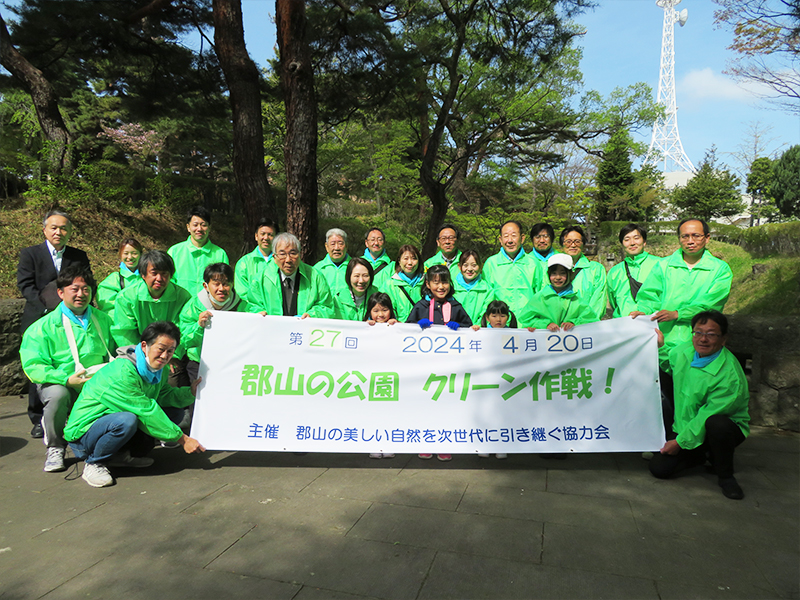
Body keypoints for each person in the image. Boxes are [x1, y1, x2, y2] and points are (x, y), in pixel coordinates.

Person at [63, 322, 205, 488]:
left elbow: (163, 395)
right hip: (84, 434)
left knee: (175, 413)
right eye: (161, 348)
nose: (165, 355)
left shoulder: (157, 368)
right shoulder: (123, 372)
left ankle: (119, 456)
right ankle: (94, 463)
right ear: (144, 346)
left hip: (112, 422)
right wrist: (183, 439)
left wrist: (190, 393)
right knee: (126, 420)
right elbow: (145, 410)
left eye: (170, 350)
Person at [20, 265, 115, 473]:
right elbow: (33, 365)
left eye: (86, 289)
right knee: (57, 395)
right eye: (75, 289)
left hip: (95, 380)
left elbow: (117, 351)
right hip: (61, 380)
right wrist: (65, 378)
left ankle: (110, 449)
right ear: (61, 292)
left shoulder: (104, 320)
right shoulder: (42, 327)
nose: (81, 294)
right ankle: (55, 446)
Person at [649, 311, 750, 500]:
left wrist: (679, 443)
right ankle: (697, 455)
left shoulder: (729, 376)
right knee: (659, 469)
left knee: (717, 425)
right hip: (686, 423)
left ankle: (726, 476)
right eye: (698, 333)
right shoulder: (686, 351)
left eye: (711, 334)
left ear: (723, 339)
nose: (703, 339)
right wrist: (659, 345)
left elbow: (706, 416)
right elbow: (667, 364)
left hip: (718, 427)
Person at [17, 209, 91, 438]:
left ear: (70, 231)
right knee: (38, 369)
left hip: (72, 318)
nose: (59, 232)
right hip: (39, 317)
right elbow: (25, 285)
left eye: (64, 228)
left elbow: (86, 282)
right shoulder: (30, 254)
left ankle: (71, 413)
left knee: (74, 362)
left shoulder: (79, 256)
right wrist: (46, 307)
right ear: (45, 229)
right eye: (54, 227)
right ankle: (38, 417)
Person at [633, 218, 733, 372]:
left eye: (696, 236)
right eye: (685, 236)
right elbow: (649, 296)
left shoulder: (720, 269)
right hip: (662, 342)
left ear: (707, 238)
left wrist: (678, 314)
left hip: (699, 345)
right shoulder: (663, 265)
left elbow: (711, 305)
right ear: (679, 239)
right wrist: (644, 312)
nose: (690, 241)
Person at [407, 265, 472, 462]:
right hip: (425, 368)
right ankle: (426, 441)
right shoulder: (420, 307)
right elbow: (405, 332)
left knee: (446, 404)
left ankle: (445, 442)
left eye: (444, 281)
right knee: (426, 404)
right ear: (428, 284)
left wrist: (459, 327)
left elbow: (470, 329)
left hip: (449, 368)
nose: (440, 286)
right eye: (435, 282)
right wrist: (417, 328)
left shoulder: (456, 306)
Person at [179, 262, 252, 383]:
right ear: (206, 286)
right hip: (200, 364)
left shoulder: (243, 306)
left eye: (226, 284)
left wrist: (260, 317)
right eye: (216, 284)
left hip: (232, 363)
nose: (221, 289)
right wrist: (199, 326)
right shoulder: (193, 307)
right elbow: (184, 341)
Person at [248, 233, 335, 318]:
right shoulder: (261, 278)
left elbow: (327, 307)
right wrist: (258, 313)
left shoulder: (315, 276)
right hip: (272, 330)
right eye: (282, 254)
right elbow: (252, 305)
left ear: (300, 255)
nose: (288, 260)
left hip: (304, 330)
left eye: (293, 253)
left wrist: (312, 315)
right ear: (274, 257)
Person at [482, 220, 543, 328]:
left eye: (514, 236)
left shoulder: (533, 263)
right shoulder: (491, 263)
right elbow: (486, 298)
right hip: (500, 327)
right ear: (500, 240)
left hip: (528, 326)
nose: (510, 240)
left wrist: (538, 322)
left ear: (522, 238)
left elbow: (541, 296)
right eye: (506, 236)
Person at [168, 206, 229, 295]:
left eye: (203, 225)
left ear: (209, 227)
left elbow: (225, 283)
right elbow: (168, 281)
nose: (199, 229)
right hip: (181, 305)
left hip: (209, 306)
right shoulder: (174, 251)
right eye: (195, 225)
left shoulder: (220, 254)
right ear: (188, 227)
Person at [527, 254, 597, 331]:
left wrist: (574, 323)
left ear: (571, 274)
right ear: (548, 274)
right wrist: (545, 324)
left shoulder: (577, 301)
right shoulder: (539, 298)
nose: (558, 277)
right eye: (554, 273)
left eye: (562, 273)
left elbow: (591, 320)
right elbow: (526, 319)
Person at [607, 224, 661, 318]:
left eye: (636, 238)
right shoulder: (614, 272)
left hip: (653, 324)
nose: (632, 243)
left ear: (644, 242)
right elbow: (613, 303)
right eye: (627, 239)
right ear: (622, 244)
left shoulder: (660, 265)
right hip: (623, 327)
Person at [559, 226, 607, 321]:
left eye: (577, 241)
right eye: (568, 242)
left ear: (583, 244)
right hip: (558, 329)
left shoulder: (596, 269)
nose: (573, 245)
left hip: (586, 327)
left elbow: (598, 302)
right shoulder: (550, 268)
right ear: (562, 245)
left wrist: (582, 322)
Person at [96, 238, 144, 320]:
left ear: (141, 254)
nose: (130, 257)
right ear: (120, 255)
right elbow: (107, 307)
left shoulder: (149, 277)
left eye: (134, 253)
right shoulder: (113, 280)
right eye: (126, 253)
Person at [234, 218, 279, 305]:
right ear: (256, 236)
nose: (266, 238)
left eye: (270, 235)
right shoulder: (244, 263)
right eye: (263, 234)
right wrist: (256, 310)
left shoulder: (282, 261)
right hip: (253, 313)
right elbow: (242, 294)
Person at [452, 250, 497, 325]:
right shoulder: (451, 287)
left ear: (480, 266)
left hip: (478, 332)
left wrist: (477, 325)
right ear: (459, 266)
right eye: (465, 265)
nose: (469, 269)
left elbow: (486, 313)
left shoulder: (487, 290)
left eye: (474, 265)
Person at [383, 244, 425, 322]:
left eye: (414, 258)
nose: (409, 263)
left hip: (424, 329)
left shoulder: (427, 282)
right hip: (398, 329)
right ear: (399, 261)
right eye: (405, 258)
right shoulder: (389, 284)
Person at [314, 228, 352, 297]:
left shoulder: (355, 267)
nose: (336, 248)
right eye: (333, 244)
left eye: (340, 244)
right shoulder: (318, 269)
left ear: (346, 246)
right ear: (326, 246)